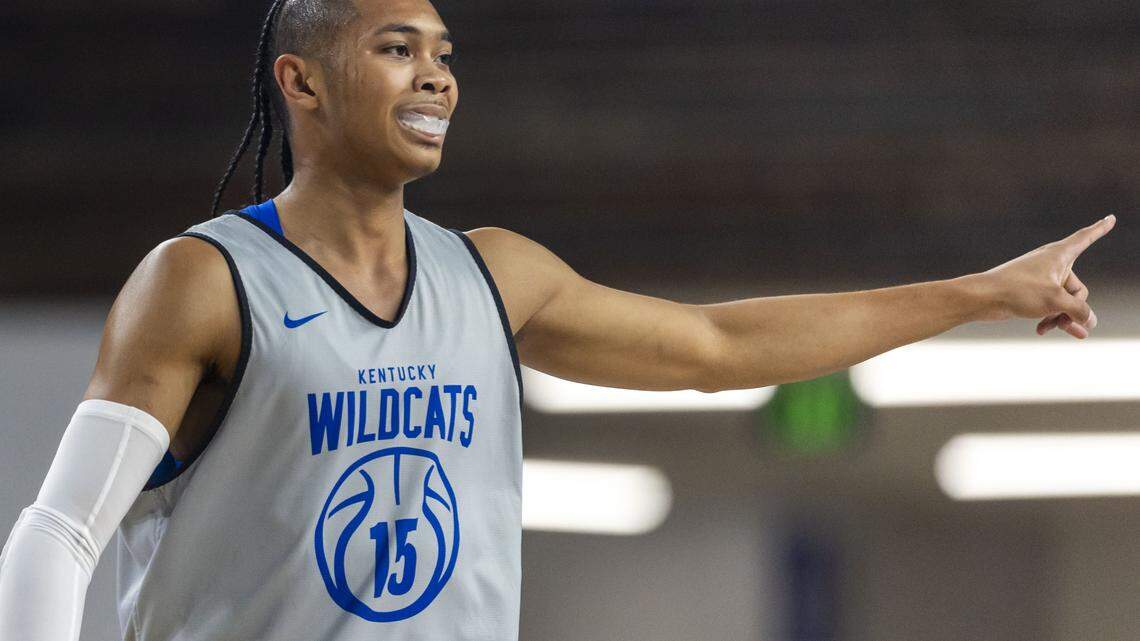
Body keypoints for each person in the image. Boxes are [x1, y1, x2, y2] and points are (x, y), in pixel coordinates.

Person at [0, 0, 1116, 639]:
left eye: (444, 55)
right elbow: (58, 532)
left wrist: (984, 288)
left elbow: (718, 350)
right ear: (301, 80)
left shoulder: (496, 275)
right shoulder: (204, 280)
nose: (436, 76)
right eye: (397, 49)